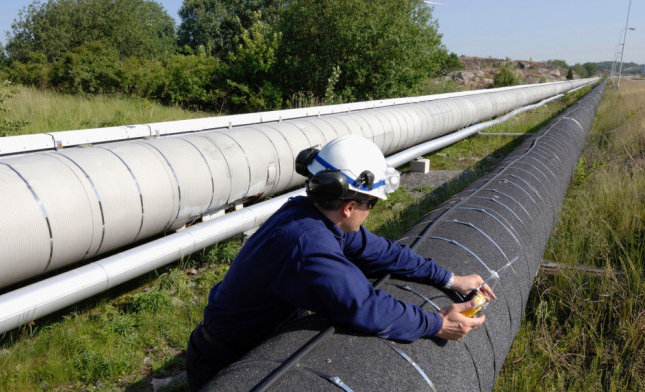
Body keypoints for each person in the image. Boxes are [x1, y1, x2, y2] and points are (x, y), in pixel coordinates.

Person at [185, 135, 496, 391]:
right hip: (223, 363)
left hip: (242, 339)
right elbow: (364, 306)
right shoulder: (308, 245)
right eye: (371, 204)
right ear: (350, 207)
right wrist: (439, 323)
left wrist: (449, 279)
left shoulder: (311, 215)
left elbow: (384, 252)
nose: (370, 211)